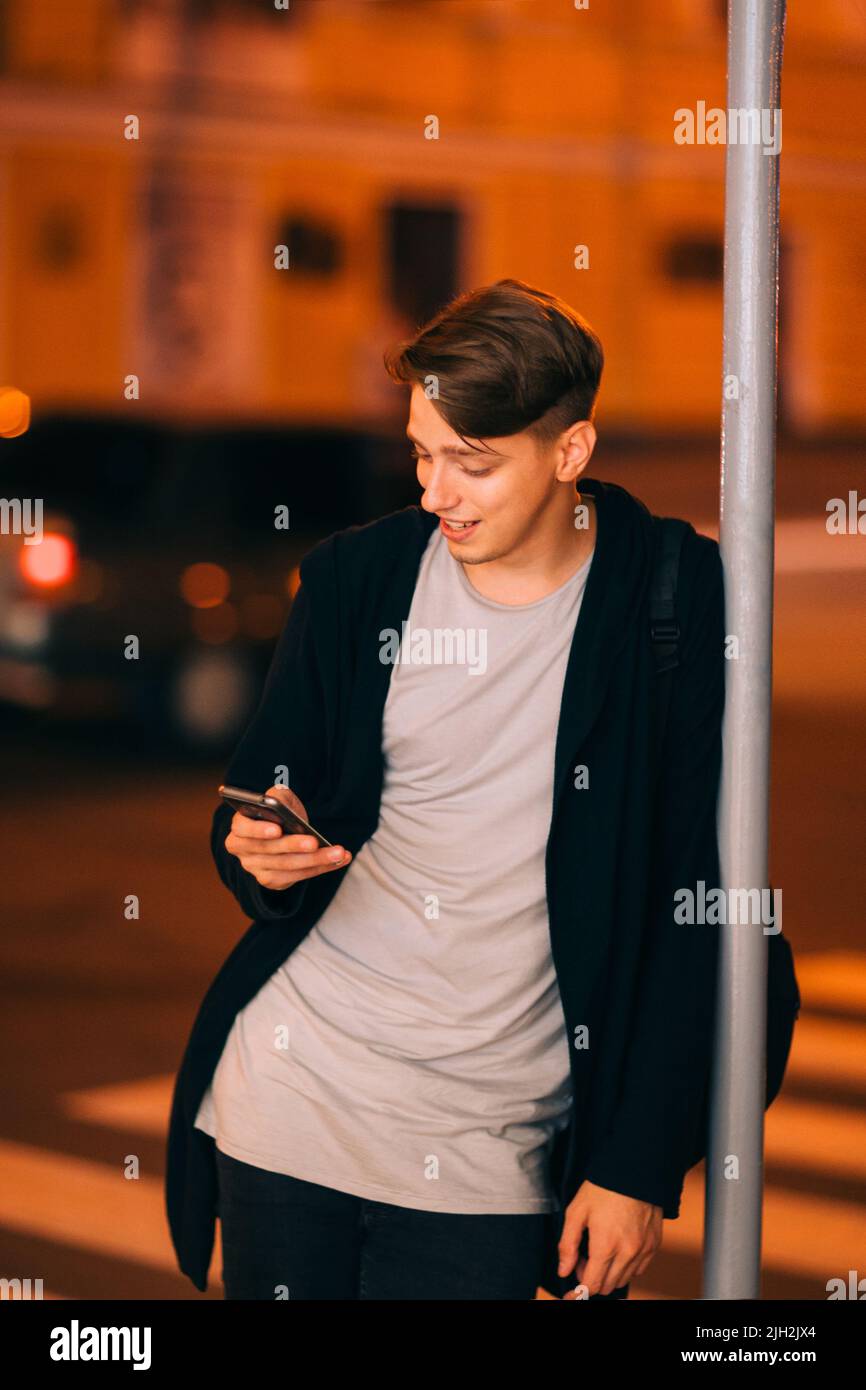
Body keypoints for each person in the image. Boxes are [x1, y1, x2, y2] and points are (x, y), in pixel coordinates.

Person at [167, 278, 729, 1300]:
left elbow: (697, 899)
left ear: (570, 454)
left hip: (489, 1146)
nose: (434, 493)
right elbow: (261, 790)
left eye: (472, 463)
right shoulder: (355, 579)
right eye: (422, 453)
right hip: (291, 1096)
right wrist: (258, 847)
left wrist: (636, 1162)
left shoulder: (672, 597)